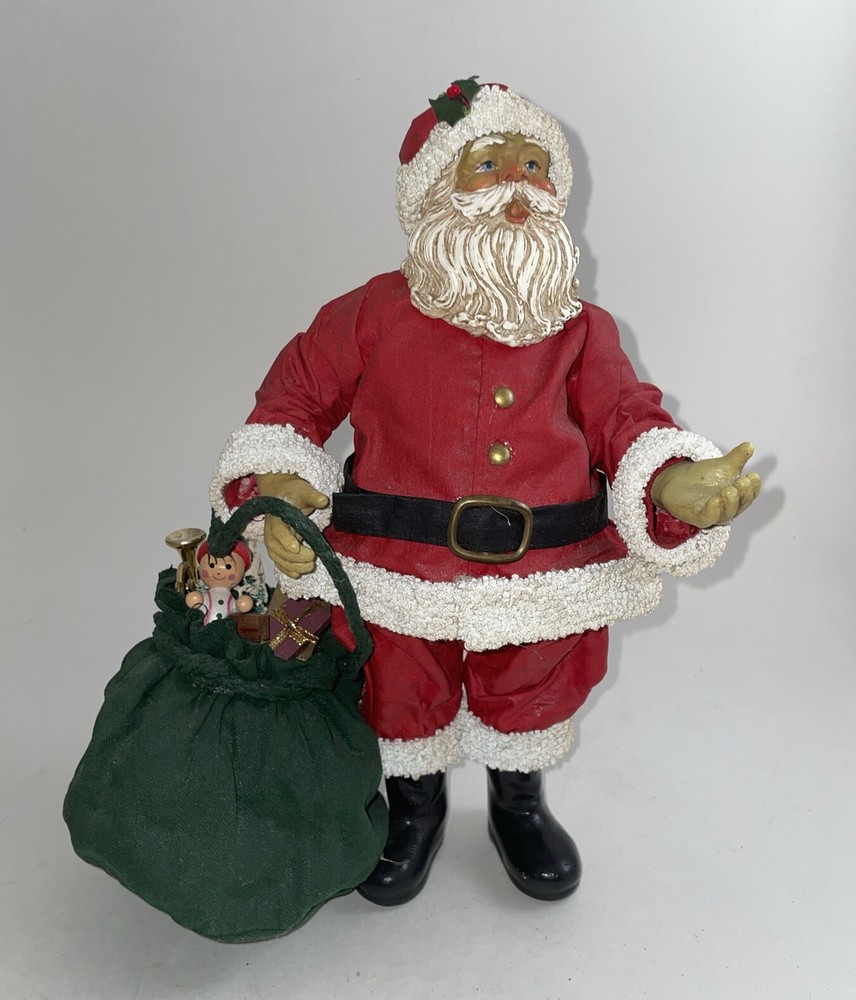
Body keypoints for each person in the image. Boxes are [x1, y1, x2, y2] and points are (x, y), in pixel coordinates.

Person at [210, 78, 760, 906]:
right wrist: (281, 489)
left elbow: (628, 419)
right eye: (490, 162)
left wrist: (673, 482)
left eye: (535, 165)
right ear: (436, 188)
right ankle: (415, 806)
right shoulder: (369, 314)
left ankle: (518, 803)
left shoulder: (583, 330)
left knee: (532, 689)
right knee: (399, 688)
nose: (517, 182)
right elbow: (292, 403)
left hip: (546, 570)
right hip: (396, 566)